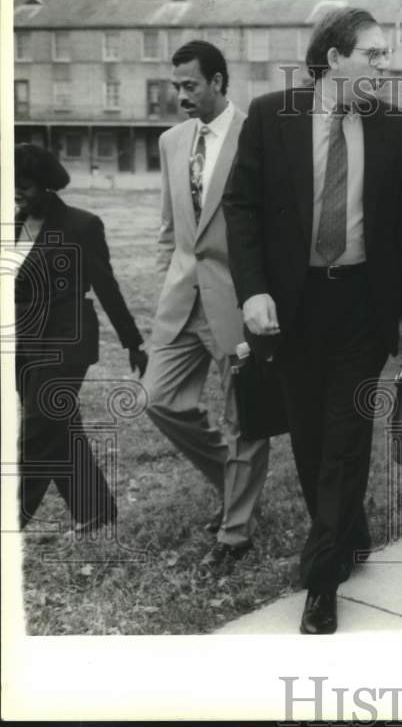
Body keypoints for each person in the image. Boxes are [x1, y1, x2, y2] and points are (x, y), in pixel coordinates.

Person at [223, 7, 402, 635]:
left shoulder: (395, 126)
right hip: (293, 306)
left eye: (385, 55)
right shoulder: (269, 117)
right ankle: (348, 531)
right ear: (333, 59)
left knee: (346, 437)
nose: (383, 65)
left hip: (362, 303)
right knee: (309, 439)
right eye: (372, 54)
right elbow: (242, 208)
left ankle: (322, 580)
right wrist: (252, 291)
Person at [143, 41, 270, 570]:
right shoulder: (172, 141)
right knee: (158, 398)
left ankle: (235, 533)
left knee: (246, 418)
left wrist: (261, 302)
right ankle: (232, 480)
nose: (180, 96)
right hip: (182, 299)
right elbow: (172, 229)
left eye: (190, 85)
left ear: (219, 81)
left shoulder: (257, 135)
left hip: (237, 303)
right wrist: (168, 278)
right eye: (176, 86)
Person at [14, 144, 147, 534]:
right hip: (24, 344)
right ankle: (95, 510)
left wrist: (132, 342)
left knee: (38, 431)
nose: (16, 193)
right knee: (60, 425)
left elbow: (107, 287)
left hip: (66, 343)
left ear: (46, 185)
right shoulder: (11, 223)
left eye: (23, 186)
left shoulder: (81, 225)